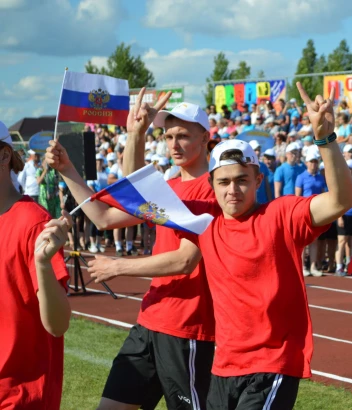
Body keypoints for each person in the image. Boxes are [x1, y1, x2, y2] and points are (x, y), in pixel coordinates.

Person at [151, 83, 352, 409]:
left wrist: (325, 140)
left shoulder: (281, 215)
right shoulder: (204, 225)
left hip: (272, 363)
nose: (233, 190)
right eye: (224, 181)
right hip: (224, 365)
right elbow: (125, 202)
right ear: (211, 185)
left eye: (242, 180)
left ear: (258, 180)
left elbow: (342, 200)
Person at [46, 94, 220, 410]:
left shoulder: (213, 188)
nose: (174, 144)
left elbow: (185, 260)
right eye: (168, 136)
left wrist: (118, 267)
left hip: (188, 329)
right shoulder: (171, 186)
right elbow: (104, 217)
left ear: (206, 138)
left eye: (183, 135)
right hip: (150, 322)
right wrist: (68, 168)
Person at [0, 122, 71, 410]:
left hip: (20, 397)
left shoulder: (34, 223)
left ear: (5, 156)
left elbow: (58, 325)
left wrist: (42, 264)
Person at [295, 151, 327, 277]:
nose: (314, 164)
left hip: (317, 212)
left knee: (314, 240)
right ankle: (303, 266)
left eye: (316, 161)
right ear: (307, 163)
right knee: (303, 241)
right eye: (312, 161)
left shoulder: (320, 177)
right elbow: (297, 196)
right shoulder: (301, 177)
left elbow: (324, 193)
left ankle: (313, 266)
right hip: (304, 212)